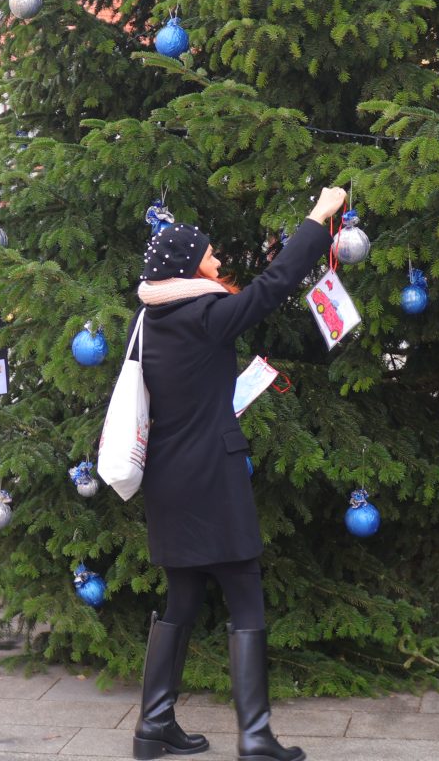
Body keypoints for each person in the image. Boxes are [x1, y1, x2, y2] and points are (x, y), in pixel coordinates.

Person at [129, 186, 346, 761]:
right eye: (209, 253)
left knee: (183, 595)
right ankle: (254, 737)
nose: (218, 259)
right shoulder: (208, 315)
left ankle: (153, 726)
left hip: (167, 477)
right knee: (245, 592)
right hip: (212, 476)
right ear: (188, 264)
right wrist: (317, 217)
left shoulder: (148, 320)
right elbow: (274, 286)